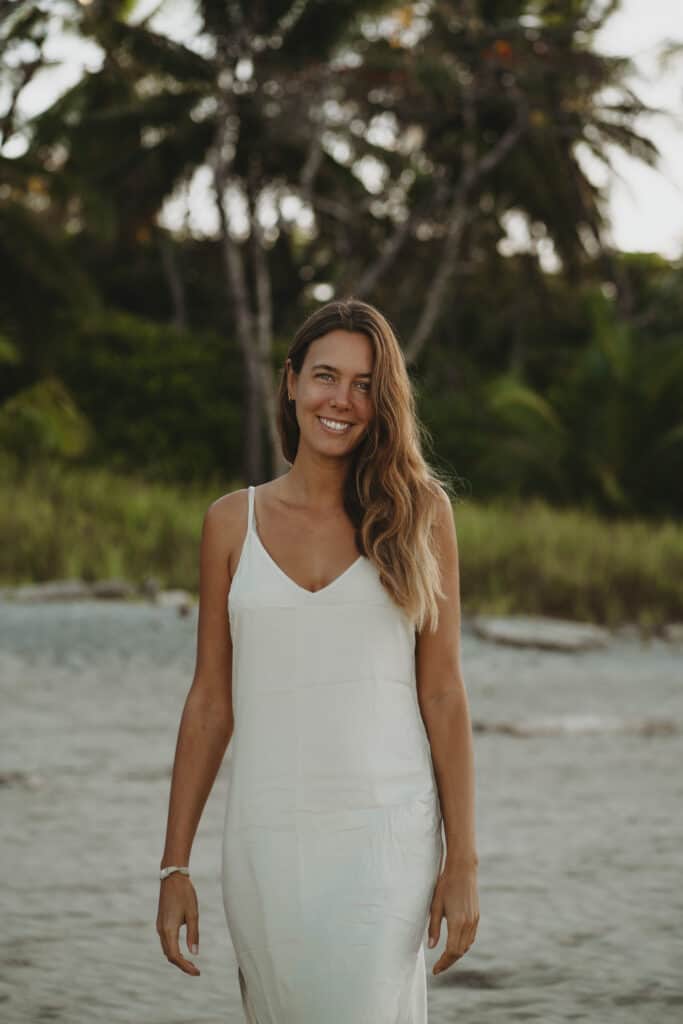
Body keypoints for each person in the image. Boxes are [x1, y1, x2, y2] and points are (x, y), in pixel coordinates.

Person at [156, 298, 479, 1022]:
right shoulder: (228, 522)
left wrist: (461, 860)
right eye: (326, 376)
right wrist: (174, 865)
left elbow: (443, 696)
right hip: (266, 841)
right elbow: (211, 700)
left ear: (383, 400)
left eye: (364, 385)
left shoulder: (419, 516)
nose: (342, 400)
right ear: (291, 382)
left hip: (385, 838)